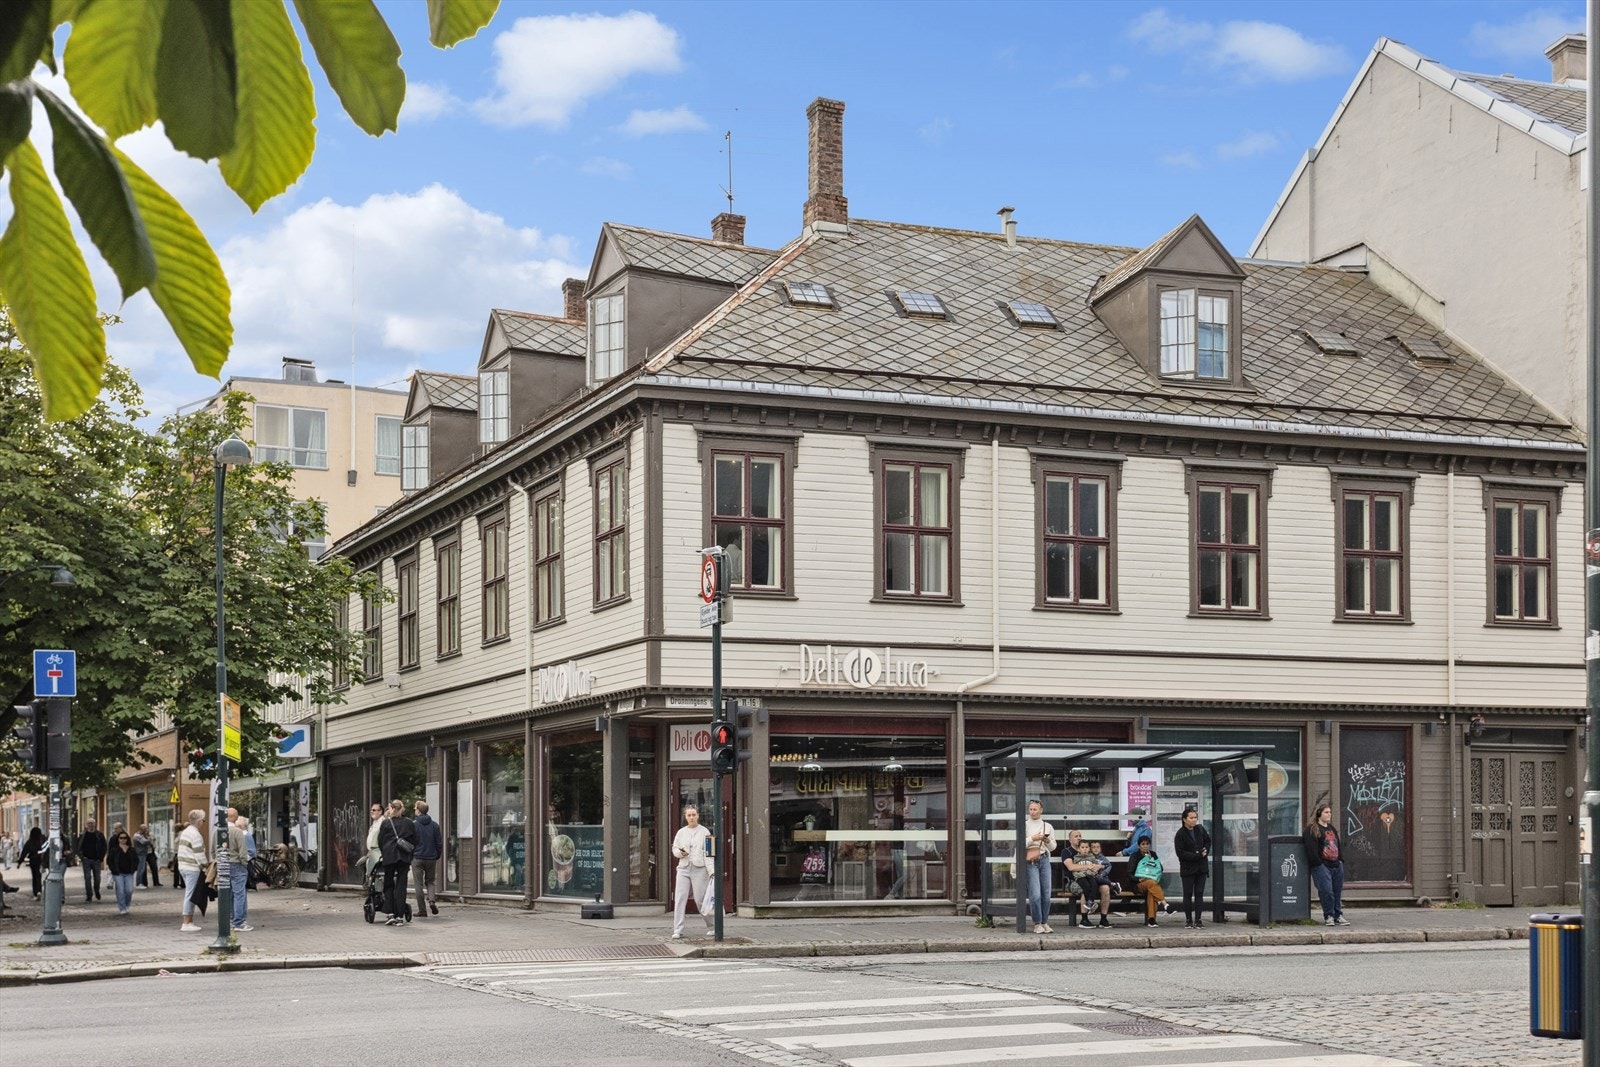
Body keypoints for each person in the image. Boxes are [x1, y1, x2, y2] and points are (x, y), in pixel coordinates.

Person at [669, 804, 714, 939]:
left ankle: (712, 926)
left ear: (698, 816)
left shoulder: (705, 831)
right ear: (685, 817)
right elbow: (675, 849)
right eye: (689, 815)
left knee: (700, 900)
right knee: (680, 899)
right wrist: (681, 853)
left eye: (694, 814)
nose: (691, 817)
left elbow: (709, 853)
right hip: (683, 868)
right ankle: (678, 929)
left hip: (699, 869)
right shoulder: (681, 832)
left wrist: (711, 871)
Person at [1305, 803, 1349, 927]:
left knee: (1337, 891)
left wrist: (1340, 860)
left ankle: (1338, 915)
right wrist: (1318, 863)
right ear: (1319, 814)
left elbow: (1337, 844)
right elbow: (1311, 849)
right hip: (1322, 865)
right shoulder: (1312, 829)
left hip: (1336, 864)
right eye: (1326, 812)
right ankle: (1329, 915)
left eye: (1330, 812)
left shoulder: (1331, 828)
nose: (1329, 814)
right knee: (1326, 891)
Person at [376, 800, 417, 926]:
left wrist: (385, 852)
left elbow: (380, 840)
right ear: (402, 809)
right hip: (404, 857)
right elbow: (415, 840)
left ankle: (390, 913)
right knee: (401, 885)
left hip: (389, 857)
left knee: (388, 884)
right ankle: (400, 915)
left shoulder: (386, 823)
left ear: (391, 808)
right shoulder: (409, 823)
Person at [1063, 833, 1114, 928]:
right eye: (1076, 836)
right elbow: (1071, 867)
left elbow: (1101, 862)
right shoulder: (1067, 852)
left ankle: (1103, 919)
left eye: (1079, 836)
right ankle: (1084, 919)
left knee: (1105, 888)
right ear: (1070, 840)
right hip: (1076, 880)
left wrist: (1101, 866)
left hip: (1093, 877)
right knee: (1085, 888)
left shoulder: (1089, 852)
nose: (1078, 837)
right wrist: (1089, 867)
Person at [1173, 806, 1211, 929]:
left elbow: (1207, 841)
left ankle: (1198, 919)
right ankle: (1188, 920)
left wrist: (1205, 851)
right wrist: (1196, 855)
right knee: (1188, 893)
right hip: (1188, 868)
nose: (1194, 820)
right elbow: (1180, 852)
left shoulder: (1200, 829)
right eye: (1191, 818)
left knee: (1199, 893)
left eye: (1195, 817)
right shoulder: (1180, 834)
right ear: (1185, 819)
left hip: (1201, 867)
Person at [1022, 799, 1057, 934]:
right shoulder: (1024, 825)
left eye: (1035, 809)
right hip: (1030, 860)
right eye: (1031, 809)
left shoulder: (1047, 826)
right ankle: (1037, 923)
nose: (1032, 812)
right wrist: (1033, 838)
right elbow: (1019, 844)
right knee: (1035, 894)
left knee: (1046, 894)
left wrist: (1047, 841)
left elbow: (1053, 847)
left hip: (1044, 858)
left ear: (1041, 810)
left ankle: (1044, 922)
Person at [176, 810, 208, 932]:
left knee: (189, 893)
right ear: (199, 821)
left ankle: (188, 920)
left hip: (183, 866)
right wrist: (205, 866)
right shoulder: (195, 835)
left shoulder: (186, 832)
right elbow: (199, 854)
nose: (203, 823)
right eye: (203, 820)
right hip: (192, 867)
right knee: (190, 894)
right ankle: (187, 921)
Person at [1131, 836, 1173, 928]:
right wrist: (1138, 879)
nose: (1145, 846)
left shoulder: (1153, 854)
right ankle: (1164, 903)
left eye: (1147, 844)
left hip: (1151, 883)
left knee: (1151, 891)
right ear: (1139, 846)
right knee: (1151, 884)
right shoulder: (1135, 856)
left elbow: (1160, 868)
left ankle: (1151, 920)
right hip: (1139, 884)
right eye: (1143, 844)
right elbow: (1129, 873)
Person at [411, 799, 442, 918]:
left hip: (417, 857)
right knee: (430, 881)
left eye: (415, 808)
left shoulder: (414, 825)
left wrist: (411, 855)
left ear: (418, 811)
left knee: (418, 884)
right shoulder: (434, 825)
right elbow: (438, 843)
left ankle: (422, 910)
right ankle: (432, 901)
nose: (414, 810)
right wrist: (437, 855)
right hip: (431, 857)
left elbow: (411, 841)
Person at [226, 813, 251, 931]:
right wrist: (244, 863)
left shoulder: (218, 831)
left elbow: (213, 850)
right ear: (235, 818)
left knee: (229, 893)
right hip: (237, 864)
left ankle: (231, 919)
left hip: (224, 865)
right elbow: (243, 851)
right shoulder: (237, 832)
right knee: (239, 894)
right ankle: (239, 922)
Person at [106, 829, 140, 915]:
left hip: (129, 873)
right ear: (118, 839)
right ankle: (122, 907)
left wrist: (134, 868)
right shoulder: (114, 850)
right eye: (121, 838)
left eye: (125, 838)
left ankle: (127, 904)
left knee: (129, 890)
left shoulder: (131, 850)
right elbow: (109, 860)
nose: (123, 839)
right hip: (118, 873)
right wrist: (113, 869)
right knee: (120, 890)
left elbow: (136, 860)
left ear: (127, 839)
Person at [77, 818, 108, 902]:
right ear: (86, 825)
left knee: (97, 878)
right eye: (89, 823)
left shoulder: (99, 835)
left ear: (95, 824)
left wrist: (101, 857)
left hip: (96, 860)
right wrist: (82, 857)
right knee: (87, 878)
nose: (91, 825)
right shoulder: (83, 835)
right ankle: (89, 895)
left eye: (92, 823)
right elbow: (78, 846)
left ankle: (97, 890)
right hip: (86, 860)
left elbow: (104, 846)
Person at [19, 828, 45, 898]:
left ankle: (36, 892)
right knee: (39, 875)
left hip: (33, 860)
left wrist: (20, 862)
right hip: (41, 860)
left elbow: (24, 852)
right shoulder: (42, 841)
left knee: (35, 876)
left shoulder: (30, 841)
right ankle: (39, 890)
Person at [365, 803, 384, 880]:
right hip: (372, 852)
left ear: (380, 812)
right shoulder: (375, 822)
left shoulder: (382, 822)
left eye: (374, 810)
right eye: (371, 810)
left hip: (377, 852)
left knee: (373, 872)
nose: (371, 811)